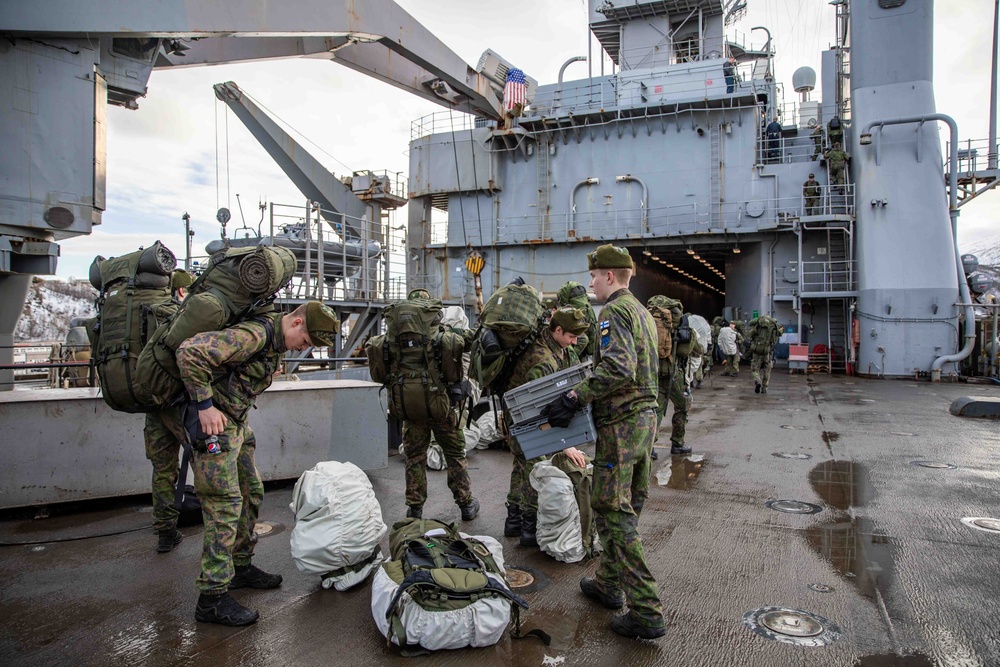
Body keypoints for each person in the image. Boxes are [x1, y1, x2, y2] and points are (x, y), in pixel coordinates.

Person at [177, 300, 339, 626]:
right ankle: (211, 598)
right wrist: (205, 405)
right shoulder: (253, 334)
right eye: (305, 342)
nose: (302, 348)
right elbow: (189, 353)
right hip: (214, 428)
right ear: (295, 324)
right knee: (225, 505)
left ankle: (240, 566)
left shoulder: (274, 346)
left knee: (251, 491)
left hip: (236, 425)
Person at [545, 244, 665, 640]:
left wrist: (574, 396)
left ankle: (646, 609)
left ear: (609, 276)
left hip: (623, 423)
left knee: (613, 510)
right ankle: (609, 584)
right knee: (627, 502)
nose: (591, 283)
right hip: (646, 420)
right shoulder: (642, 311)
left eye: (594, 276)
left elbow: (617, 367)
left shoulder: (613, 312)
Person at [504, 307, 590, 547]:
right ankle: (528, 529)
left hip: (533, 416)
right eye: (572, 336)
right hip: (524, 419)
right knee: (535, 467)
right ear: (558, 330)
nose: (575, 342)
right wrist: (564, 445)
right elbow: (538, 411)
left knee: (521, 466)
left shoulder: (562, 349)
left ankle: (513, 521)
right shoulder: (541, 360)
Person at [398, 290, 480, 524]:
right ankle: (465, 504)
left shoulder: (397, 338)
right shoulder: (444, 334)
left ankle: (414, 510)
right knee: (455, 453)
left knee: (414, 456)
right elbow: (470, 342)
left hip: (411, 406)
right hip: (441, 404)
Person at [143, 269, 194, 554]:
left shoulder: (145, 316)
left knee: (163, 469)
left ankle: (165, 531)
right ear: (182, 291)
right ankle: (224, 530)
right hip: (178, 403)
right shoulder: (178, 317)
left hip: (153, 403)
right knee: (206, 461)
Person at [557, 280, 599, 360]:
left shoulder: (574, 312)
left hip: (583, 354)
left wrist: (569, 359)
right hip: (592, 350)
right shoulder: (586, 305)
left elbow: (583, 340)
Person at [747, 315, 780, 394]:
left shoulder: (757, 323)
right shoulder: (773, 325)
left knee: (755, 368)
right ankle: (764, 388)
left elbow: (750, 334)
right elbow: (775, 339)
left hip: (756, 350)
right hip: (766, 351)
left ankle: (757, 381)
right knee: (767, 369)